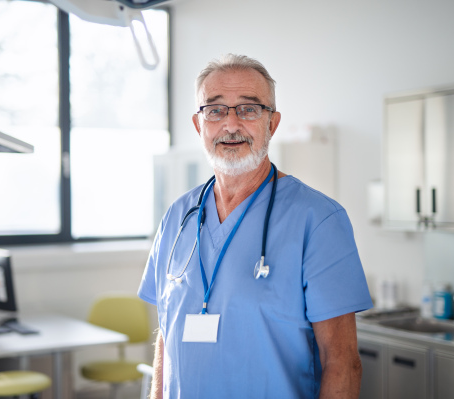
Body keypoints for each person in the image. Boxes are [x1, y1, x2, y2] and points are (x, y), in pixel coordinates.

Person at [138, 54, 372, 399]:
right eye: (215, 110)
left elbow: (341, 362)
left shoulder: (318, 220)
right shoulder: (177, 216)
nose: (231, 124)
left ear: (271, 124)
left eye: (248, 109)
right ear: (198, 124)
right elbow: (166, 336)